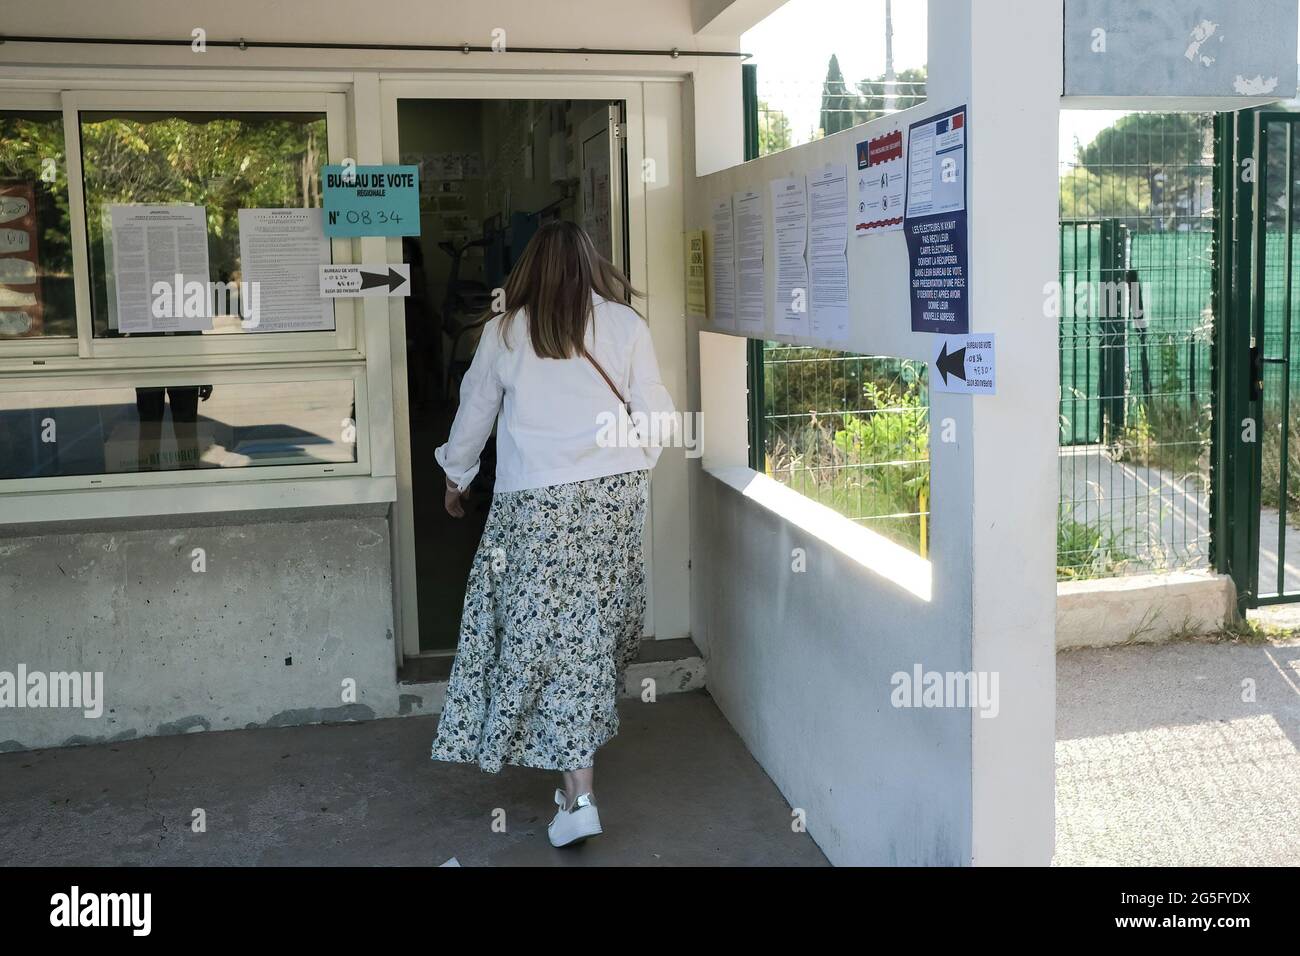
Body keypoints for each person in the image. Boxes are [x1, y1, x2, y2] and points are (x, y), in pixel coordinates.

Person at [430, 220, 674, 848]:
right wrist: (631, 468)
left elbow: (475, 410)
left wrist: (456, 477)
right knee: (585, 634)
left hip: (533, 508)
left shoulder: (506, 331)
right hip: (612, 500)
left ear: (527, 269)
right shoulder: (624, 325)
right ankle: (576, 791)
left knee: (549, 641)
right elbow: (660, 420)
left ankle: (580, 795)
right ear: (592, 266)